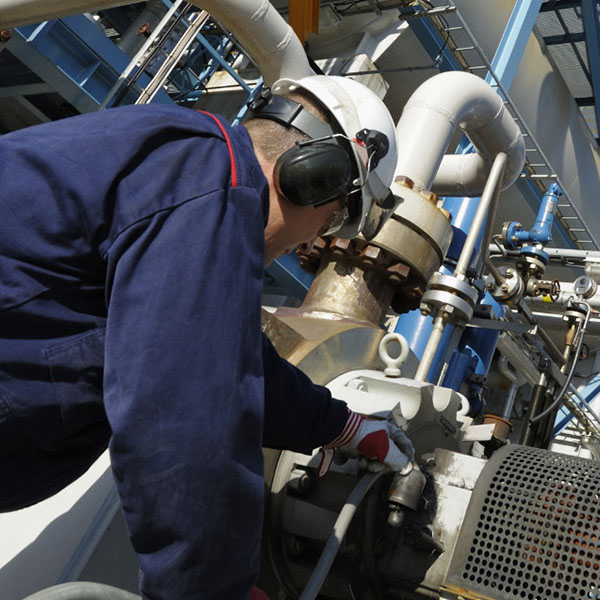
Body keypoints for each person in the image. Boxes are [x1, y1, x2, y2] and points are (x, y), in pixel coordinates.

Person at [0, 74, 414, 599]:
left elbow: (225, 356)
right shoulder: (211, 183)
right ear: (315, 177)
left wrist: (340, 425)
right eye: (332, 218)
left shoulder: (185, 167)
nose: (315, 241)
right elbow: (185, 414)